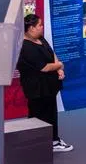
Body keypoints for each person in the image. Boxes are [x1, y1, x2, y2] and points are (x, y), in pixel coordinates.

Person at [17, 14, 73, 152]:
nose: (42, 27)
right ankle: (48, 142)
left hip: (48, 87)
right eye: (39, 25)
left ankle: (48, 140)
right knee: (39, 114)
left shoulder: (39, 38)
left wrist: (58, 68)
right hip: (37, 88)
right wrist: (60, 65)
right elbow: (44, 67)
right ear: (30, 28)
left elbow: (51, 53)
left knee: (50, 113)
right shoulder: (25, 47)